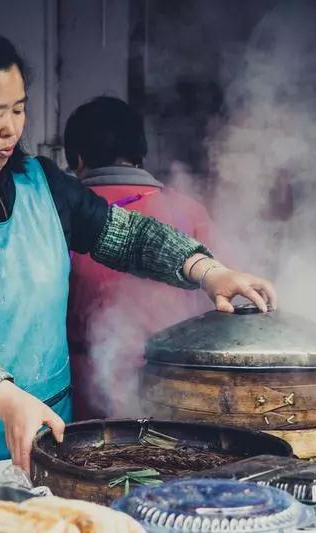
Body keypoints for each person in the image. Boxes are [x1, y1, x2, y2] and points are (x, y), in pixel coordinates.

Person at [0, 32, 277, 476]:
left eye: (19, 110)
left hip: (49, 446)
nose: (11, 129)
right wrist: (1, 395)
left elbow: (126, 234)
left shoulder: (42, 183)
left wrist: (206, 270)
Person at [63, 96, 214, 420]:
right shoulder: (189, 211)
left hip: (79, 396)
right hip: (172, 390)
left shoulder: (61, 213)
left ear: (76, 159)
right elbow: (213, 308)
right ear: (140, 152)